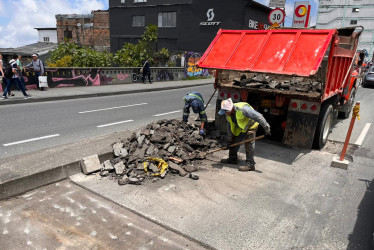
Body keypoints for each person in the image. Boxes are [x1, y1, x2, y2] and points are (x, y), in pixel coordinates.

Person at [218, 98, 271, 171]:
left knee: (249, 143)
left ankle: (250, 164)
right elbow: (229, 125)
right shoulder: (228, 115)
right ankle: (232, 159)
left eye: (225, 111)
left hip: (251, 125)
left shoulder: (243, 109)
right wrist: (230, 139)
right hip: (241, 127)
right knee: (234, 141)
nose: (225, 113)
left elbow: (259, 116)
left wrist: (266, 128)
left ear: (231, 109)